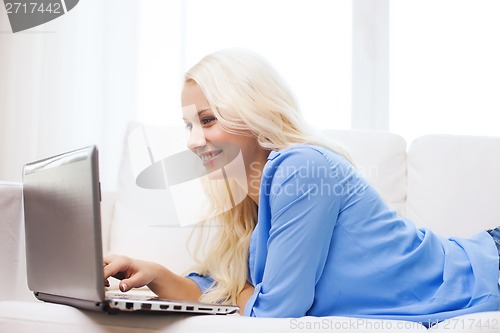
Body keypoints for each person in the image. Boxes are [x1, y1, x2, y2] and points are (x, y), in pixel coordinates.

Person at [104, 48, 500, 324]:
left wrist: (246, 295)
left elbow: (276, 313)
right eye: (189, 125)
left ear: (251, 112)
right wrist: (156, 273)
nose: (192, 141)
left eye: (207, 121)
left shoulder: (301, 168)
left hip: (483, 272)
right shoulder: (253, 199)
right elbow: (217, 290)